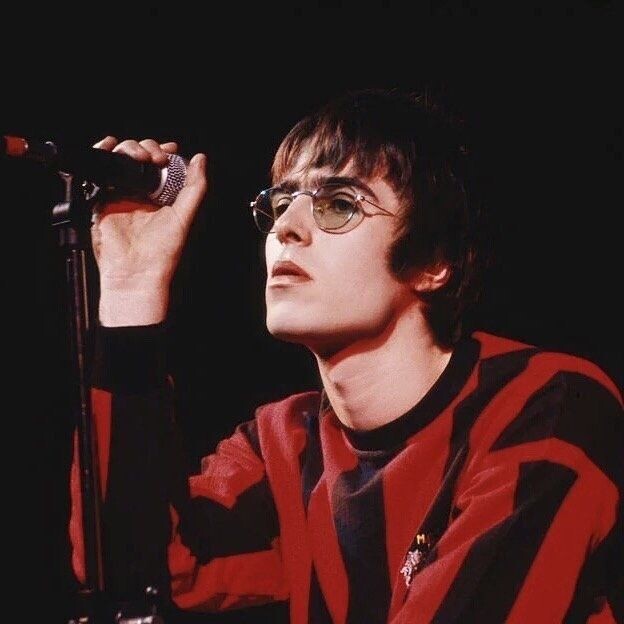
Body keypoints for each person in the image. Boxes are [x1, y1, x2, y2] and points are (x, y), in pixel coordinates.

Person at [69, 89, 623, 623]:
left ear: (433, 261)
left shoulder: (546, 406)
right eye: (280, 204)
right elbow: (136, 573)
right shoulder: (286, 444)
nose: (286, 228)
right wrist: (131, 290)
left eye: (338, 206)